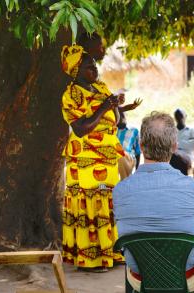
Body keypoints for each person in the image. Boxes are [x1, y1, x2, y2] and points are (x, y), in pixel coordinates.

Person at [113, 112, 194, 292]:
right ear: (174, 147)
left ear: (141, 146)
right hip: (186, 275)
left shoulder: (120, 191)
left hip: (141, 276)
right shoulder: (192, 187)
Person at [60, 46, 124, 272]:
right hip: (84, 158)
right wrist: (103, 108)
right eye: (89, 67)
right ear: (76, 70)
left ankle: (110, 254)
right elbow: (80, 128)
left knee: (106, 205)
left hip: (107, 157)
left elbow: (116, 119)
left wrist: (115, 105)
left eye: (95, 66)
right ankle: (90, 261)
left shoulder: (100, 87)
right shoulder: (71, 95)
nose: (94, 70)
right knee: (89, 206)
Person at [171, 109, 194, 175]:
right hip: (172, 156)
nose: (179, 118)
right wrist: (185, 143)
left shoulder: (192, 130)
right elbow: (167, 145)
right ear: (175, 118)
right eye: (177, 116)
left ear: (185, 116)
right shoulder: (171, 131)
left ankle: (181, 182)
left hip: (187, 157)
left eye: (181, 116)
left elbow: (193, 144)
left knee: (174, 156)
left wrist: (175, 144)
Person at [117, 109, 141, 179]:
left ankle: (125, 183)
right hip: (115, 158)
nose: (122, 118)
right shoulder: (111, 131)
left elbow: (138, 152)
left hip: (128, 158)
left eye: (123, 115)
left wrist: (137, 171)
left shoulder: (134, 131)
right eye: (119, 115)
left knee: (122, 156)